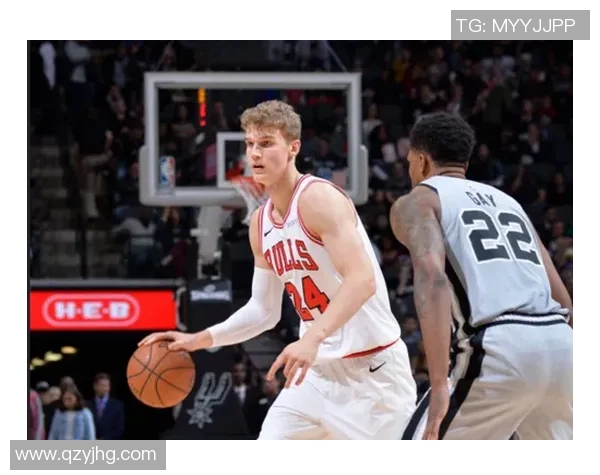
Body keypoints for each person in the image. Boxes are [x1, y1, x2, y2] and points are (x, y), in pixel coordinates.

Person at [140, 100, 417, 440]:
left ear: (293, 148)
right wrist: (198, 339)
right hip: (314, 374)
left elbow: (362, 280)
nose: (255, 153)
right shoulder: (260, 224)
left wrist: (312, 337)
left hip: (372, 373)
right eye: (250, 144)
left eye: (266, 143)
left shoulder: (319, 199)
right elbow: (263, 311)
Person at [389, 112, 573, 440]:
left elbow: (433, 280)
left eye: (409, 162)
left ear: (421, 160)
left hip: (500, 348)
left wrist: (439, 382)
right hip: (561, 344)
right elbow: (562, 298)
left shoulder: (419, 201)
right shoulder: (509, 203)